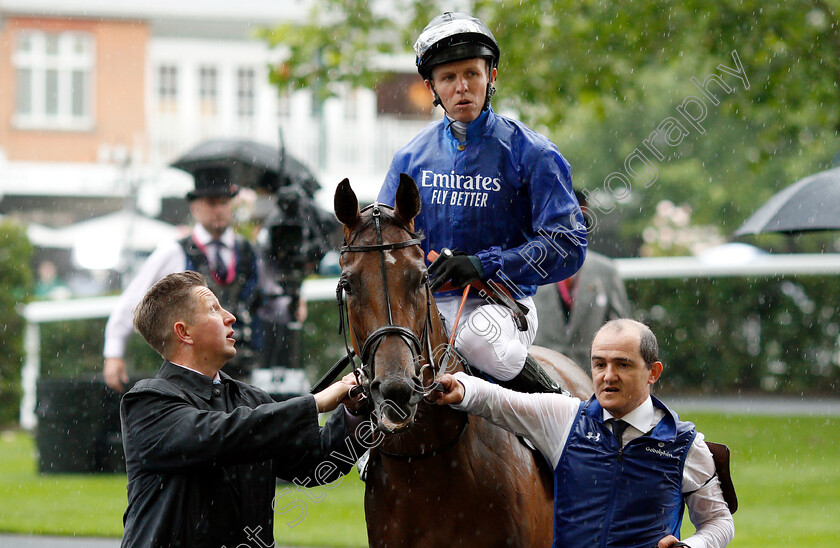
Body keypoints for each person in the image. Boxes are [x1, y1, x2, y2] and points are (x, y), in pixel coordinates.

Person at [377, 12, 587, 394]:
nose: (462, 88)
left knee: (475, 340)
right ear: (431, 87)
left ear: (491, 77)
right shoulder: (409, 158)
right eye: (449, 77)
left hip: (503, 305)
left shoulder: (534, 153)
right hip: (423, 306)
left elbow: (568, 244)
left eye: (472, 74)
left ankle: (561, 410)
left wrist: (484, 265)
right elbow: (385, 243)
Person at [431, 319, 735, 547]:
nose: (608, 376)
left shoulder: (686, 444)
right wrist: (462, 388)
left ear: (653, 373)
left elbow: (718, 521)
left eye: (623, 365)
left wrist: (691, 546)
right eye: (599, 364)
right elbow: (500, 401)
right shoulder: (565, 417)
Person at [120, 271, 368, 548]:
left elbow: (317, 463)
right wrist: (316, 403)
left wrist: (354, 411)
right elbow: (218, 435)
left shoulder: (251, 400)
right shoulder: (147, 401)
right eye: (214, 309)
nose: (230, 317)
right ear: (183, 332)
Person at [104, 173, 271, 390]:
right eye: (211, 203)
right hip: (190, 373)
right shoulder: (173, 252)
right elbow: (133, 300)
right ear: (195, 208)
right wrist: (114, 353)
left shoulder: (250, 252)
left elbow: (268, 301)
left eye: (224, 202)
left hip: (247, 369)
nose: (219, 209)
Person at [533, 190, 631, 368]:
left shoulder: (605, 271)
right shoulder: (530, 268)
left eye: (579, 222)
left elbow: (623, 330)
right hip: (541, 376)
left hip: (591, 377)